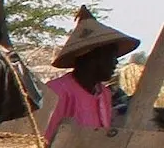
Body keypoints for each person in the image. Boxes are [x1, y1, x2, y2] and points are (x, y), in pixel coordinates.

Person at [44, 7, 140, 137]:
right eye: (111, 56)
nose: (115, 63)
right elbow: (44, 140)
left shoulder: (104, 94)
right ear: (91, 57)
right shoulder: (57, 92)